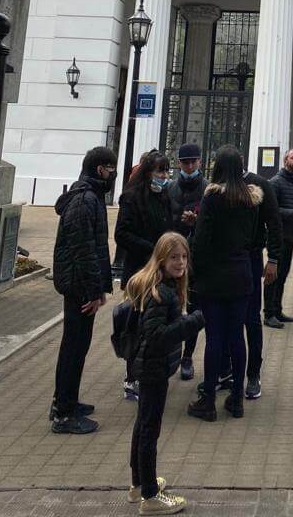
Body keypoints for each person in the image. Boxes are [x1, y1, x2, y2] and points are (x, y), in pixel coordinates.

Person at [126, 232, 205, 514]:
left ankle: (139, 483)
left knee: (143, 424)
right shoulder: (161, 293)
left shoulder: (163, 285)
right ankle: (150, 495)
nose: (180, 262)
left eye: (183, 257)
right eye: (174, 257)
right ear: (161, 258)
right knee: (150, 429)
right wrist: (192, 322)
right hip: (153, 367)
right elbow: (158, 335)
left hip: (152, 365)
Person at [187, 145, 263, 422]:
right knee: (236, 337)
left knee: (214, 338)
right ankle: (237, 399)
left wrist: (194, 271)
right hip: (242, 274)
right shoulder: (251, 201)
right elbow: (253, 238)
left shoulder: (212, 199)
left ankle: (208, 400)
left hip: (214, 276)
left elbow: (202, 239)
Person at [50, 146, 116, 433]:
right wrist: (93, 290)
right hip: (78, 287)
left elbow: (94, 248)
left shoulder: (91, 197)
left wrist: (99, 287)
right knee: (73, 347)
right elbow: (84, 249)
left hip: (83, 285)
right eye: (111, 169)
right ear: (101, 169)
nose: (113, 174)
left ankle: (69, 400)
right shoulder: (85, 200)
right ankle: (63, 412)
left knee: (79, 346)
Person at [218, 157, 283, 401]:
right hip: (223, 260)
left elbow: (274, 222)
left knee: (251, 318)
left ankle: (253, 374)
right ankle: (225, 370)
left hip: (251, 258)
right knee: (224, 317)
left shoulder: (259, 185)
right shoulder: (218, 185)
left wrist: (274, 259)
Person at [115, 152, 174, 400]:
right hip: (139, 271)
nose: (164, 176)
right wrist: (152, 249)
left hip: (160, 271)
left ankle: (151, 370)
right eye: (160, 171)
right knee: (136, 324)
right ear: (148, 172)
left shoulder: (163, 197)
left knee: (156, 324)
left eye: (166, 171)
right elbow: (122, 234)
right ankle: (132, 376)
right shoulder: (131, 197)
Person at [167, 143, 206, 381]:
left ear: (200, 162)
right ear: (179, 163)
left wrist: (196, 222)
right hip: (171, 257)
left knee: (193, 309)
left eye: (193, 161)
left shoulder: (207, 189)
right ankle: (168, 353)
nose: (189, 166)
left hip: (195, 259)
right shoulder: (170, 188)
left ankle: (188, 356)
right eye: (185, 162)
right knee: (169, 307)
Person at [263, 147, 293, 328]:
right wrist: (292, 214)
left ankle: (277, 309)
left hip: (290, 236)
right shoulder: (275, 183)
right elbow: (271, 211)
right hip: (276, 236)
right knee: (272, 273)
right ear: (285, 161)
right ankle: (268, 314)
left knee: (283, 274)